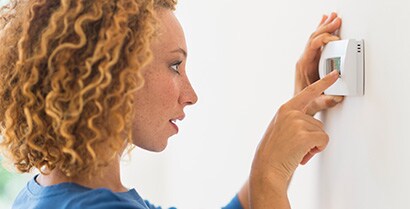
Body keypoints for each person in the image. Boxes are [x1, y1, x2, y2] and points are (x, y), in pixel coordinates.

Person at [0, 0, 343, 208]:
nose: (191, 95)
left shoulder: (51, 194)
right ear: (114, 75)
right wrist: (267, 175)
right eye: (175, 65)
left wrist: (295, 116)